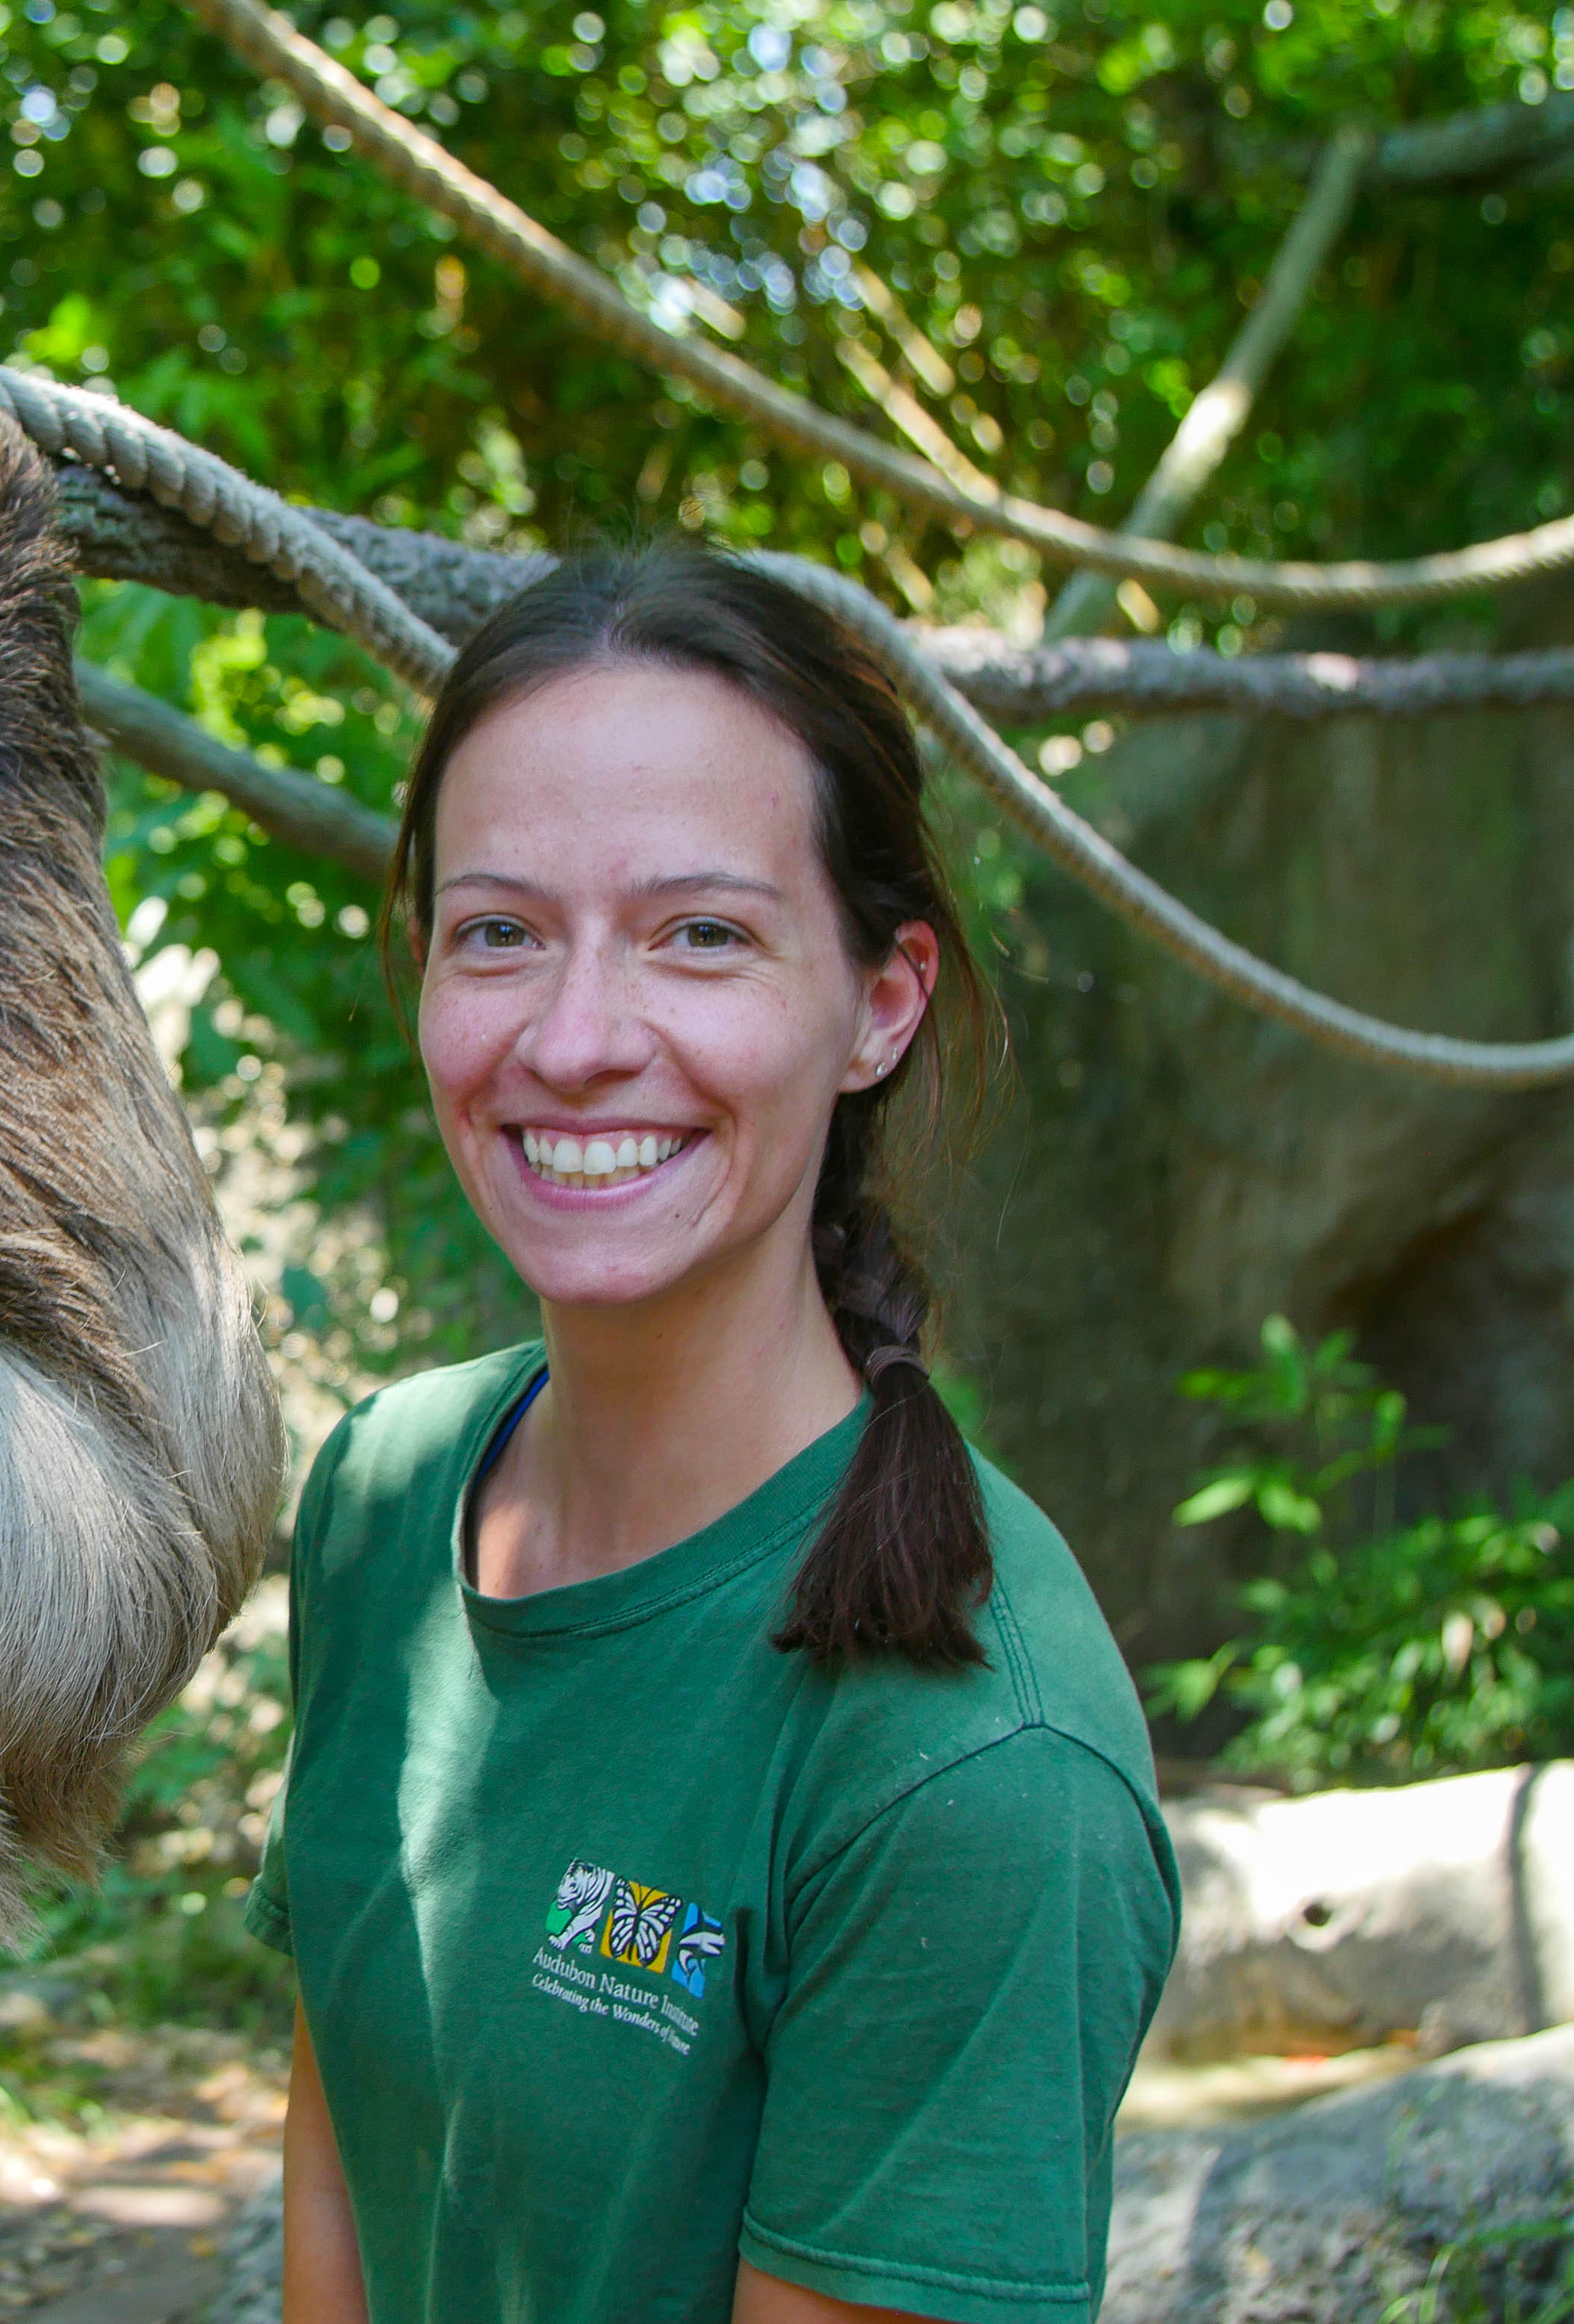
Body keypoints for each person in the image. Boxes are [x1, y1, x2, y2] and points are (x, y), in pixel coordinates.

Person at [246, 547, 1178, 2324]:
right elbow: (352, 2141)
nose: (578, 1037)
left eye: (702, 934)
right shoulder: (380, 1498)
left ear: (881, 1002)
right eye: (499, 930)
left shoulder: (975, 1767)